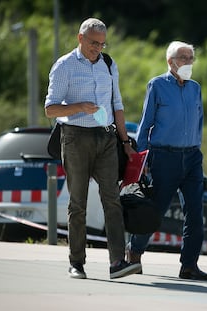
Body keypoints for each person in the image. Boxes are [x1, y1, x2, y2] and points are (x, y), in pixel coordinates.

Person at [44, 17, 141, 279]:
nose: (97, 48)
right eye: (93, 43)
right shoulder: (64, 66)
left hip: (107, 139)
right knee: (78, 203)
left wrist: (125, 142)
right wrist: (80, 107)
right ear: (80, 38)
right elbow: (50, 109)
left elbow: (117, 105)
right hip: (75, 137)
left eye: (101, 44)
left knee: (113, 200)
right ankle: (76, 262)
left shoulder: (109, 64)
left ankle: (117, 263)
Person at [126, 41, 207, 280]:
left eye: (191, 57)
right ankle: (134, 252)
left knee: (195, 212)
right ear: (170, 61)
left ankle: (189, 265)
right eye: (183, 57)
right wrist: (141, 161)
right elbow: (145, 125)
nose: (188, 62)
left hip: (192, 156)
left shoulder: (195, 88)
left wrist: (197, 148)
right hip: (164, 157)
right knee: (156, 211)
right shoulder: (157, 85)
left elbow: (200, 121)